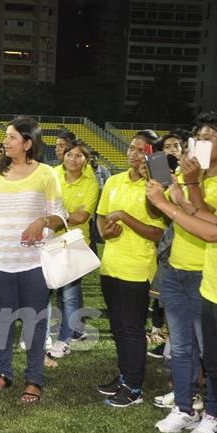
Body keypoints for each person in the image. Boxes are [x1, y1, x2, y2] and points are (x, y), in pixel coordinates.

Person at [0, 116, 67, 405]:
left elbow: (60, 217)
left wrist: (42, 222)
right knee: (1, 320)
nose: (6, 141)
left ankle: (34, 379)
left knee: (34, 322)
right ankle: (3, 373)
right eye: (7, 136)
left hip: (33, 264)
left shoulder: (47, 174)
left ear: (28, 143)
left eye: (12, 137)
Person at [149, 114, 217, 433]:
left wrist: (186, 191)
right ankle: (185, 406)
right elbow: (177, 213)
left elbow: (208, 228)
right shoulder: (188, 172)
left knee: (208, 350)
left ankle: (211, 413)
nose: (203, 143)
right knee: (180, 346)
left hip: (202, 273)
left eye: (211, 137)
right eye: (200, 137)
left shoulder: (206, 180)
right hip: (178, 269)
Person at [95, 130, 165, 407]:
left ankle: (135, 387)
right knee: (118, 327)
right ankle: (125, 376)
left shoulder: (156, 188)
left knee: (133, 329)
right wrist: (108, 232)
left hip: (137, 267)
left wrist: (125, 217)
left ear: (152, 156)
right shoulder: (113, 181)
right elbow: (101, 220)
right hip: (111, 264)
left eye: (141, 150)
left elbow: (157, 232)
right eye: (132, 148)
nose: (133, 154)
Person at [47, 140, 99, 359]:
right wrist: (66, 214)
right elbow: (45, 205)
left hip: (75, 244)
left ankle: (65, 339)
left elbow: (83, 216)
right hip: (49, 241)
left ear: (86, 159)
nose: (73, 159)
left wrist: (58, 215)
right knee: (54, 290)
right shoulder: (52, 174)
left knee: (69, 294)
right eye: (69, 154)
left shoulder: (91, 182)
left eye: (79, 156)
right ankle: (74, 330)